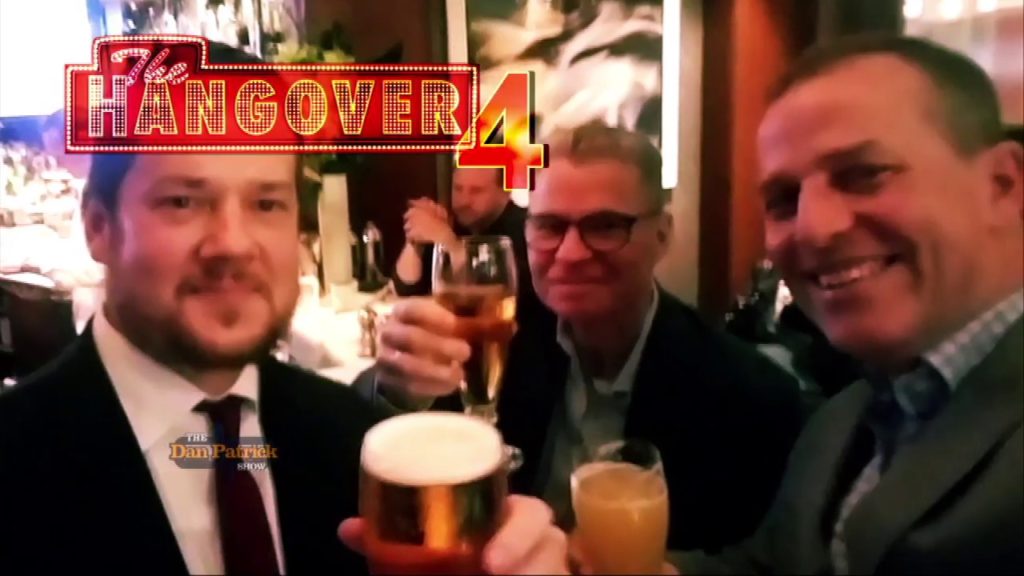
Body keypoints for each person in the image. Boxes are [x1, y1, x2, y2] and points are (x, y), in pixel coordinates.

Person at [0, 44, 569, 576]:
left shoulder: (344, 438)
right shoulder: (18, 459)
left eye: (266, 203)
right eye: (182, 201)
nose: (232, 244)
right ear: (98, 226)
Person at [360, 122, 807, 554]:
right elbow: (387, 426)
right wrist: (401, 391)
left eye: (606, 226)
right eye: (549, 226)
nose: (571, 254)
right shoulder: (504, 333)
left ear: (662, 235)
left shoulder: (748, 398)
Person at [681, 34, 1023, 574]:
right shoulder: (841, 420)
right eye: (784, 200)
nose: (814, 229)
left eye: (864, 174)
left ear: (1003, 185)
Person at [392, 163, 542, 317]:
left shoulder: (529, 228)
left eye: (476, 191)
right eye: (458, 188)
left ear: (505, 192)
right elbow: (407, 291)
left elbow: (502, 298)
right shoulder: (456, 223)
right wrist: (415, 240)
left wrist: (450, 244)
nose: (463, 201)